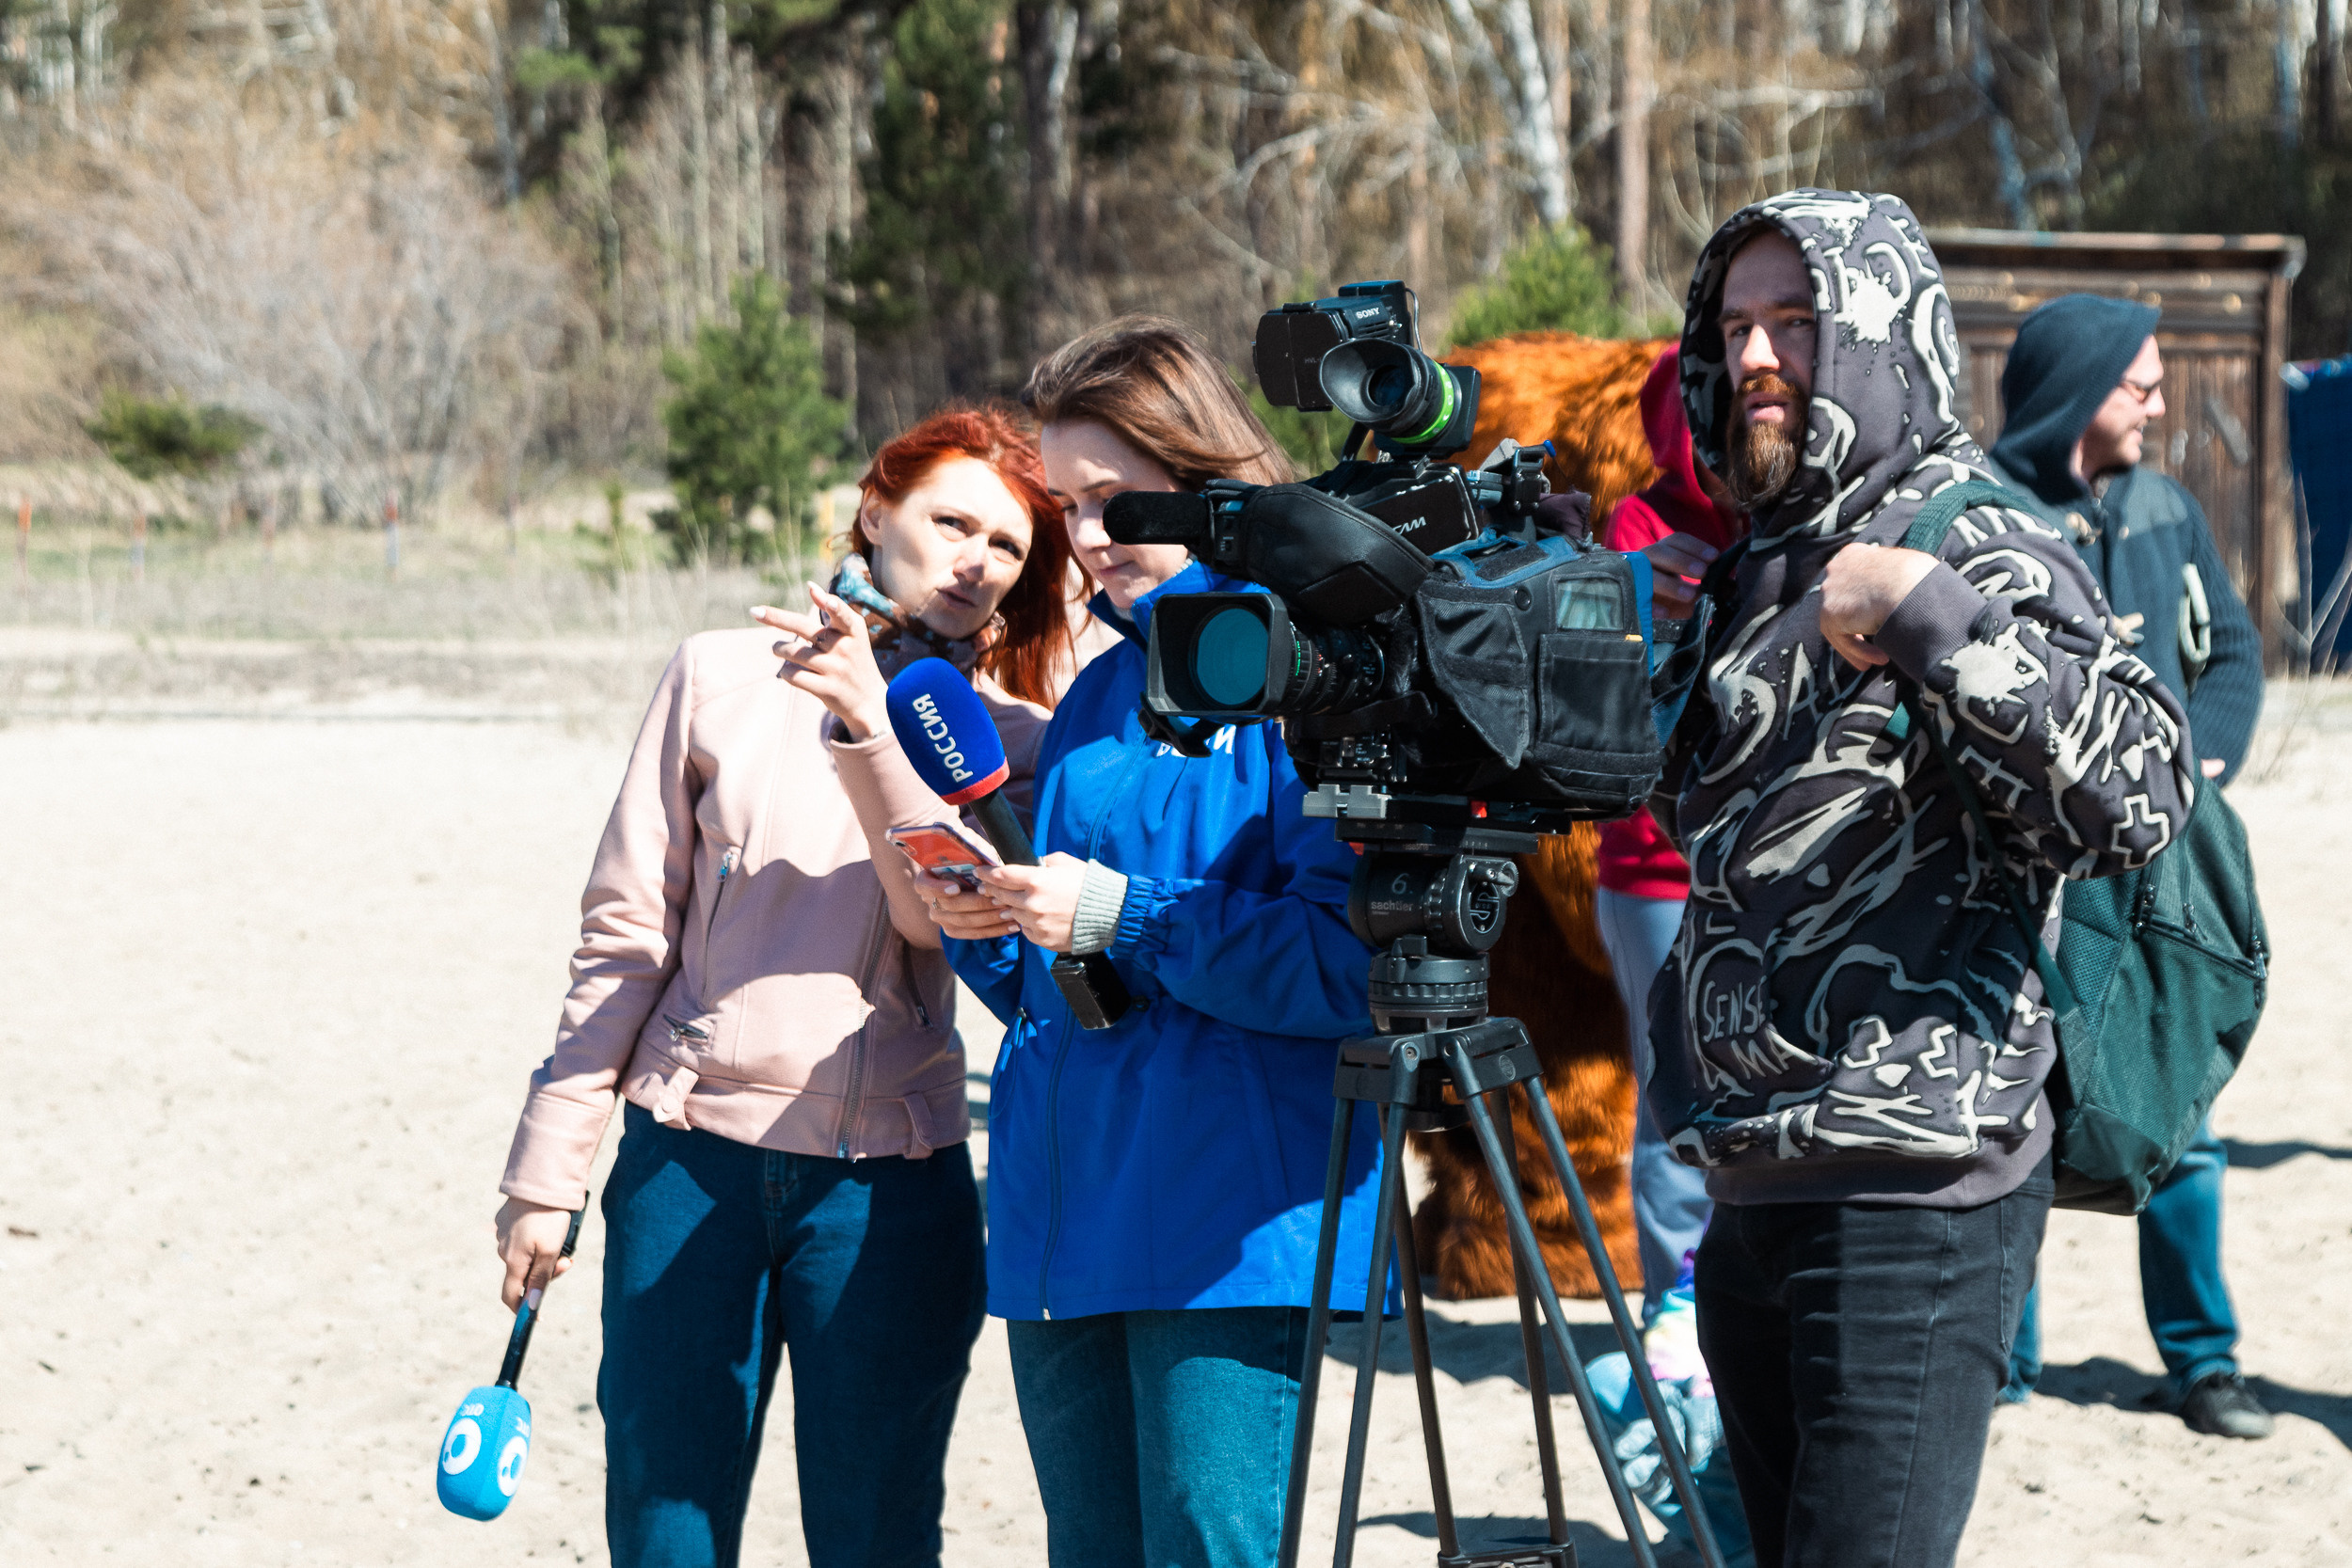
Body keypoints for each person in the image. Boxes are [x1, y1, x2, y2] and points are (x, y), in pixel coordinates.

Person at [1642, 191, 2198, 1568]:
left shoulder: (1976, 532)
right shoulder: (1748, 567)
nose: (1760, 356)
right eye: (1737, 325)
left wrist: (1935, 621)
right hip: (1749, 1174)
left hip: (1915, 1189)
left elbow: (2140, 785)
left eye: (1799, 322)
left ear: (1883, 334)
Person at [490, 405, 1077, 1568]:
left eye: (1006, 544)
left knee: (878, 1536)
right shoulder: (716, 675)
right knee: (665, 1530)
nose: (974, 557)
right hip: (686, 1164)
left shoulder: (1010, 740)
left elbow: (933, 915)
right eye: (950, 519)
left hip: (890, 1196)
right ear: (873, 513)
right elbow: (623, 936)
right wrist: (544, 1173)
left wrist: (873, 721)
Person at [913, 317, 1389, 1568]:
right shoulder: (1095, 692)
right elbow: (1055, 980)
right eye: (1068, 505)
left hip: (1229, 1226)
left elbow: (1351, 966)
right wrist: (990, 922)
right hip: (1062, 1215)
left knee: (1207, 1548)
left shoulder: (1320, 664)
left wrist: (1126, 910)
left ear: (1209, 482)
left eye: (1116, 500)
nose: (1088, 537)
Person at [1986, 293, 2272, 1439]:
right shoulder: (1988, 517)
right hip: (2026, 887)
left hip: (2155, 884)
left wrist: (2197, 759)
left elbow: (2237, 653)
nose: (2157, 400)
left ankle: (2202, 1360)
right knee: (2011, 1115)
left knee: (2179, 1112)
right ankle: (2001, 1361)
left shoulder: (2163, 509)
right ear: (2074, 390)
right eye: (2137, 382)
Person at [1596, 343, 1748, 1326]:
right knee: (1672, 1093)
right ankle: (1675, 1304)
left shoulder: (1794, 514)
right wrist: (1641, 599)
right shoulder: (1639, 521)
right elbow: (1598, 688)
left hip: (1773, 854)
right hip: (1652, 870)